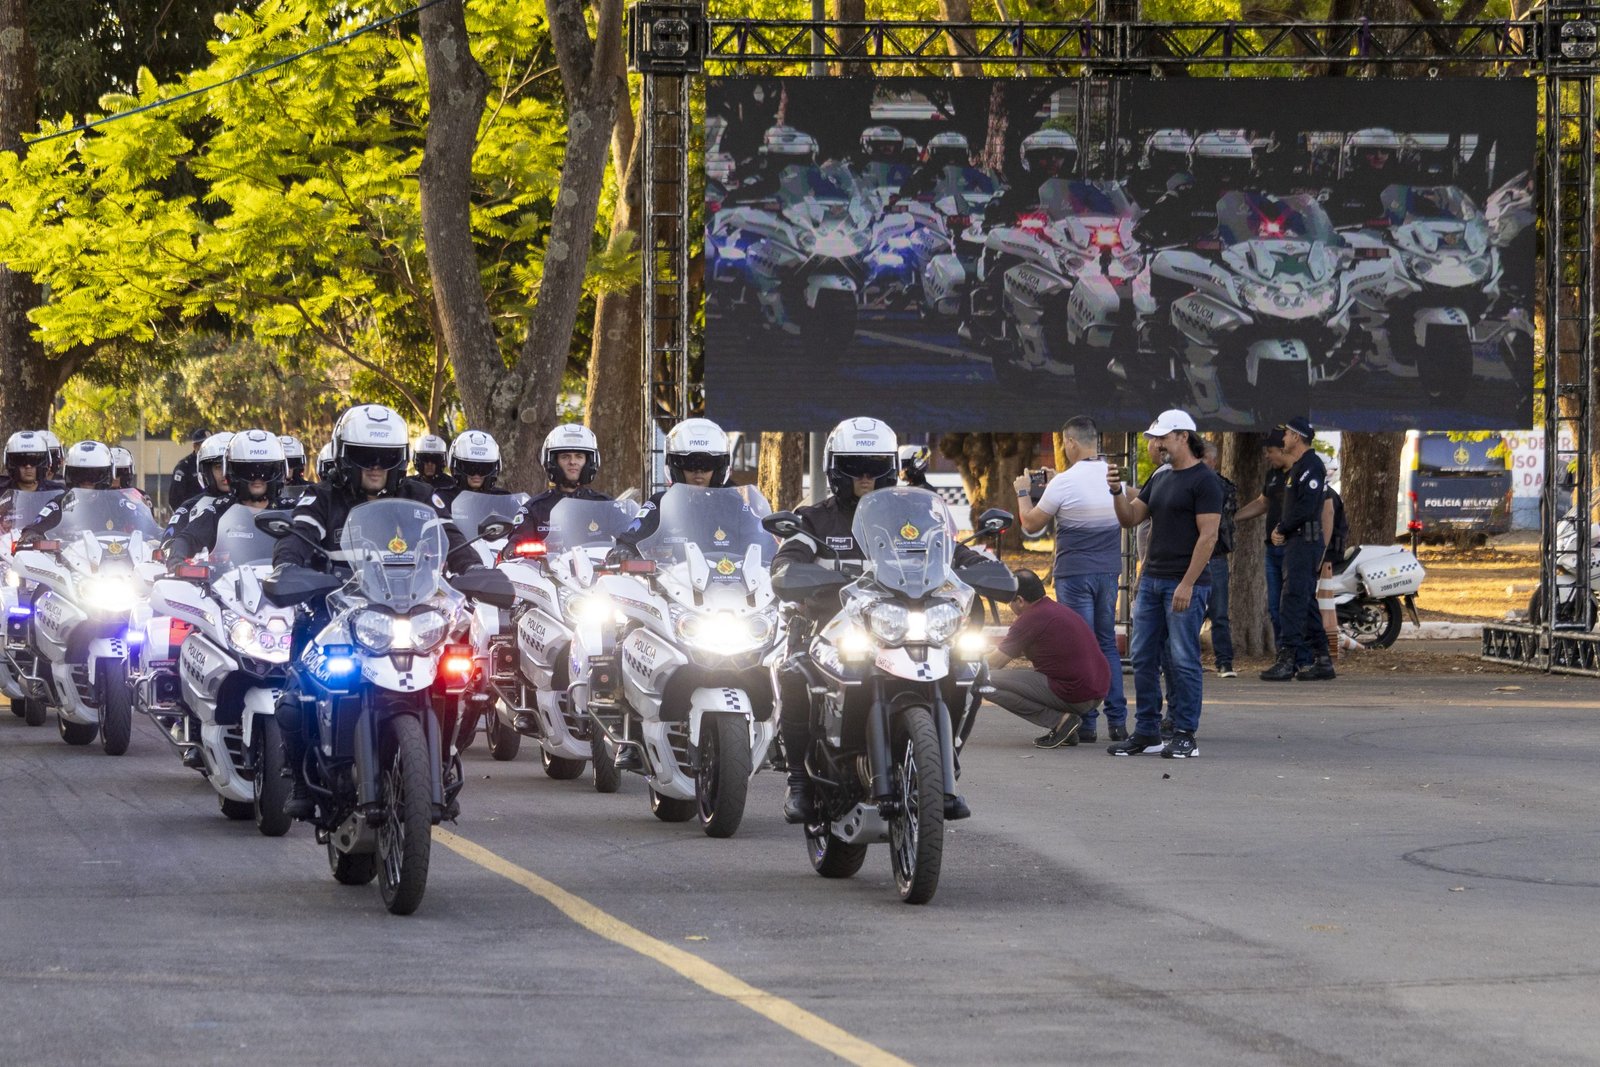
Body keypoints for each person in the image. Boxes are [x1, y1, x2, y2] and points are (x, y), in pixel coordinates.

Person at [771, 416, 988, 823]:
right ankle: (798, 779)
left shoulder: (916, 517)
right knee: (794, 671)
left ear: (891, 467)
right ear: (835, 468)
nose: (866, 475)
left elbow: (952, 553)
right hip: (833, 628)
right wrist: (795, 571)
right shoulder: (815, 519)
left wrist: (983, 567)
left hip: (903, 624)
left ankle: (944, 761)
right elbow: (787, 560)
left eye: (875, 466)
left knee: (969, 665)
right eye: (855, 466)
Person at [273, 404, 482, 817]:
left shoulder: (419, 495)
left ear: (399, 460)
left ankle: (438, 765)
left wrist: (472, 568)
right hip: (336, 608)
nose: (375, 466)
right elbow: (297, 537)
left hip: (409, 607)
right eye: (364, 456)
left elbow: (451, 537)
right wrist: (288, 567)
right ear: (343, 455)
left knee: (460, 674)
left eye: (385, 457)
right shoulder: (321, 497)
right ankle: (301, 778)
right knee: (296, 687)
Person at [1105, 409, 1221, 759]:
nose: (1155, 444)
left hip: (1185, 583)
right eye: (1154, 438)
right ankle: (1147, 732)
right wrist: (1115, 492)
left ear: (1183, 436)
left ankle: (1185, 733)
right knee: (1142, 656)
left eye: (1162, 438)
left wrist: (1187, 584)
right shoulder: (1161, 475)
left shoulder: (1204, 481)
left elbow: (1209, 536)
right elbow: (1130, 518)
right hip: (1152, 580)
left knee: (1184, 658)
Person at [1011, 415, 1128, 743]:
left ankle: (1087, 722)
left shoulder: (1064, 482)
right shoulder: (1111, 476)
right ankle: (1118, 721)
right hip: (1108, 571)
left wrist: (1023, 493)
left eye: (1064, 442)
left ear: (1073, 443)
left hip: (1075, 573)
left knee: (1082, 644)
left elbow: (1032, 524)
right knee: (1106, 643)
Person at [985, 568, 1110, 749]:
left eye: (1008, 601)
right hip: (1095, 691)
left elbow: (994, 663)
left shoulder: (1030, 618)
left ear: (1019, 600)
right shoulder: (1053, 609)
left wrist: (963, 664)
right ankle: (1067, 729)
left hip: (1073, 692)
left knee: (979, 680)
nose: (1009, 607)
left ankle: (1060, 722)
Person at [1260, 417, 1336, 682]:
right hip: (1297, 542)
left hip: (1305, 542)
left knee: (1292, 600)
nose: (1283, 439)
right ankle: (1322, 659)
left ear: (1297, 437)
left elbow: (1307, 507)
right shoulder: (1299, 467)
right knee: (1304, 601)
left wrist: (1281, 527)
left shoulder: (1311, 466)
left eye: (1287, 434)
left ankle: (1288, 658)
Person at [613, 417, 734, 556]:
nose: (698, 472)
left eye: (707, 464)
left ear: (720, 467)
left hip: (728, 576)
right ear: (675, 467)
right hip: (672, 577)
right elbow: (632, 538)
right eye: (689, 464)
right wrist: (623, 549)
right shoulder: (661, 503)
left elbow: (758, 541)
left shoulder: (734, 506)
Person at [164, 430, 287, 560]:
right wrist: (176, 559)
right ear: (233, 471)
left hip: (285, 578)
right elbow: (187, 539)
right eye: (248, 470)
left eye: (266, 470)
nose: (257, 478)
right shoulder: (218, 510)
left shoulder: (290, 509)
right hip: (228, 579)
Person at [506, 423, 612, 545]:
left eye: (579, 456)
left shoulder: (605, 505)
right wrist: (513, 546)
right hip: (550, 564)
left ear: (589, 462)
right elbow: (517, 539)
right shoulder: (534, 508)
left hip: (596, 564)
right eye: (565, 457)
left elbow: (629, 535)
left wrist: (625, 547)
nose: (572, 462)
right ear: (553, 461)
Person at [19, 441, 119, 541]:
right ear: (69, 474)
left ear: (108, 474)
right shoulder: (60, 503)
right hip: (73, 555)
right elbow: (35, 527)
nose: (86, 480)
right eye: (80, 474)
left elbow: (133, 522)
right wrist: (31, 535)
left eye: (94, 475)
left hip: (116, 554)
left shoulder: (115, 503)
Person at [1198, 439, 1238, 677]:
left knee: (1219, 612)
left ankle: (1225, 662)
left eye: (1203, 458)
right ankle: (1188, 659)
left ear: (1212, 461)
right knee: (1189, 612)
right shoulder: (1186, 483)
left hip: (1215, 556)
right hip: (1191, 555)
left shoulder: (1223, 486)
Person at [164, 432, 233, 539]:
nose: (225, 473)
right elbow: (169, 540)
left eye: (231, 466)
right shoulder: (190, 508)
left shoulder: (254, 504)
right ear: (206, 471)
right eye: (219, 467)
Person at [439, 430, 510, 509]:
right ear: (456, 466)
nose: (477, 475)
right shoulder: (443, 498)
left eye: (484, 469)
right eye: (469, 468)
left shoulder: (502, 499)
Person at [167, 427, 208, 511]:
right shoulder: (184, 467)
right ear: (195, 446)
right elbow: (175, 499)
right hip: (192, 514)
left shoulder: (216, 464)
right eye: (205, 445)